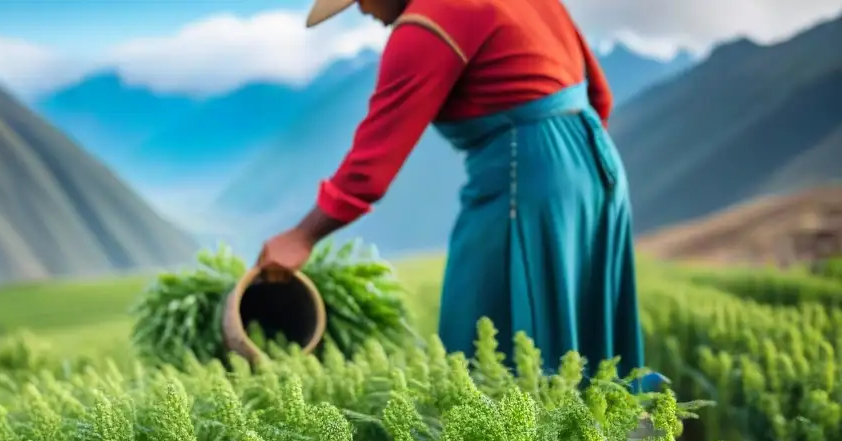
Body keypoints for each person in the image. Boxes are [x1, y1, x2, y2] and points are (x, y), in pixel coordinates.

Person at [256, 0, 647, 381]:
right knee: (594, 357)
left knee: (487, 352)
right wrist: (574, 178)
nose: (362, 10)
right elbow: (600, 95)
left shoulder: (425, 27)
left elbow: (371, 167)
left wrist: (302, 236)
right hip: (600, 169)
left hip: (523, 179)